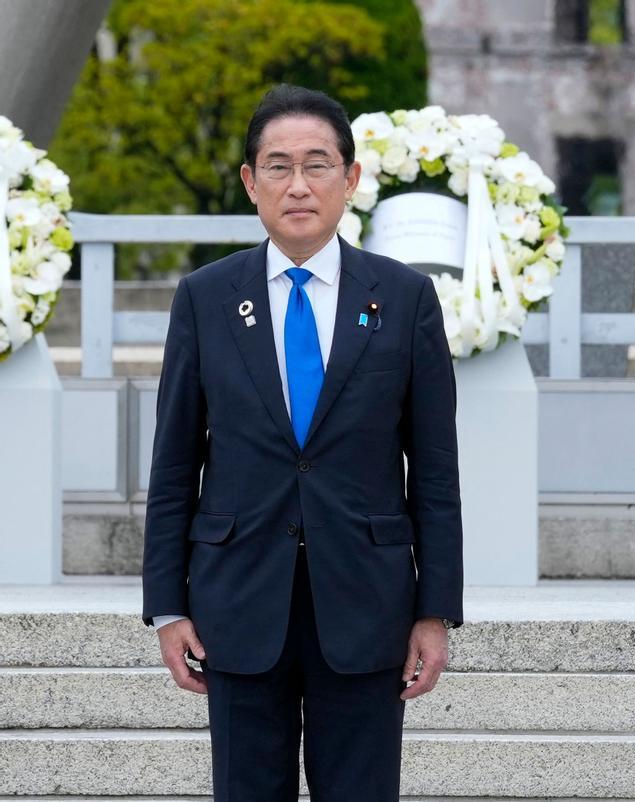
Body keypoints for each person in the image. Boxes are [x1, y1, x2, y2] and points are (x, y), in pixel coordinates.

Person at [141, 84, 463, 801]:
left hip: (367, 604)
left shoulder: (405, 298)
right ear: (251, 182)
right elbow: (173, 467)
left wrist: (434, 609)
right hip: (237, 604)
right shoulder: (206, 297)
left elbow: (435, 473)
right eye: (277, 166)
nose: (298, 185)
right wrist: (168, 606)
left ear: (350, 179)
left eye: (317, 165)